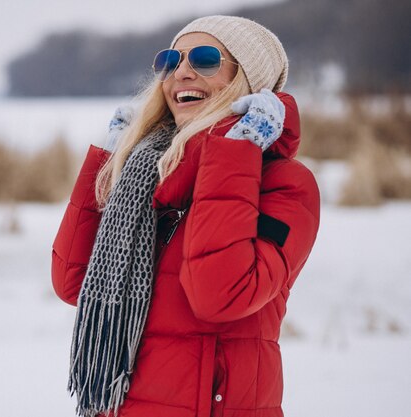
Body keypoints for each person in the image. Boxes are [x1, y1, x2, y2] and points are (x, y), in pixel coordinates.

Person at [51, 15, 320, 417]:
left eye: (206, 59)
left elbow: (220, 295)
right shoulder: (142, 174)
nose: (183, 73)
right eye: (171, 60)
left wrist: (236, 149)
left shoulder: (285, 184)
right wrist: (111, 161)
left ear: (248, 81)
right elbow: (73, 282)